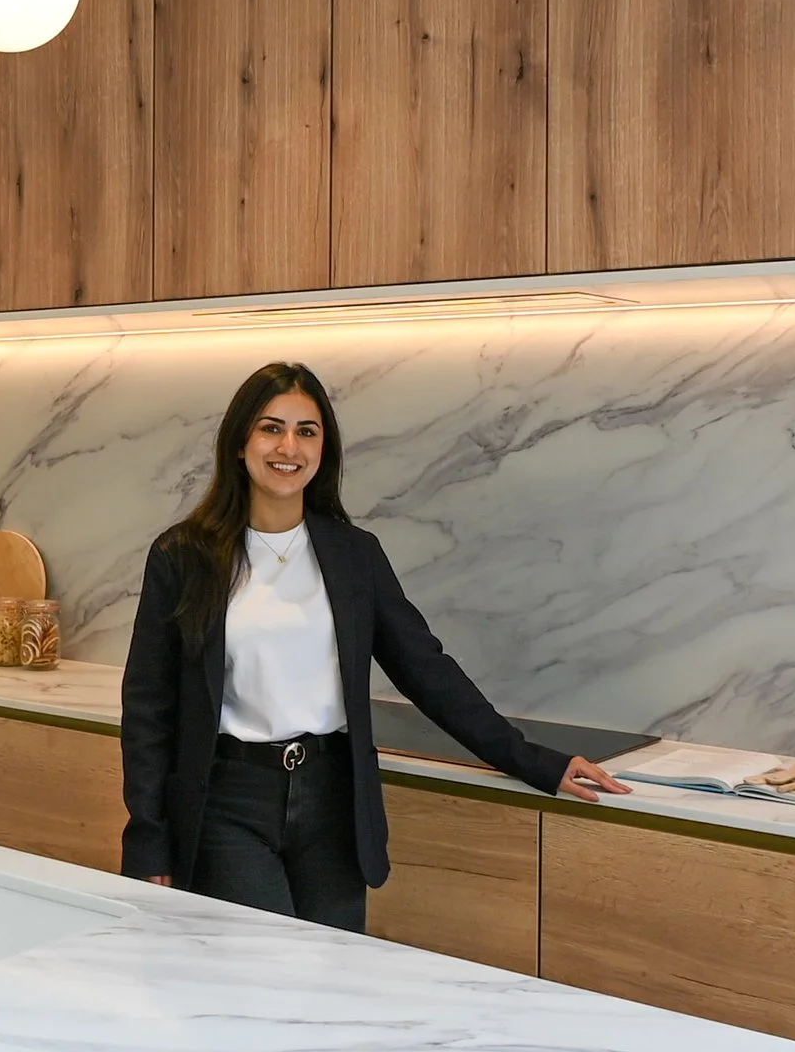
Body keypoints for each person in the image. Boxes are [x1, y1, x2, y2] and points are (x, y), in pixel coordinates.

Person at [120, 361, 630, 930]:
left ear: (323, 450)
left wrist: (534, 761)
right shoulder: (183, 557)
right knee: (262, 974)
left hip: (333, 802)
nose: (288, 446)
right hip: (227, 800)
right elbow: (148, 709)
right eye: (271, 428)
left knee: (337, 979)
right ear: (239, 443)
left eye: (306, 431)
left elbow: (427, 670)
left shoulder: (354, 555)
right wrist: (148, 836)